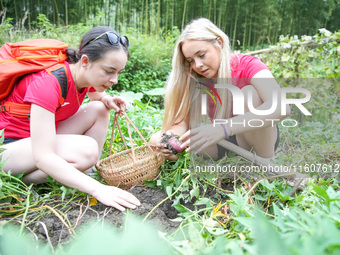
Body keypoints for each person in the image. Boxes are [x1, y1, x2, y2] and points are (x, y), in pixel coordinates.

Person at [0, 26, 141, 212]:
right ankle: (19, 180)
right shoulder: (48, 83)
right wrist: (98, 190)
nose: (114, 79)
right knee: (86, 150)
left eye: (118, 73)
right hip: (8, 149)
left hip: (34, 141)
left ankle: (84, 172)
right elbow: (43, 156)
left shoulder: (83, 77)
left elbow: (98, 99)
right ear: (85, 61)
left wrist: (108, 99)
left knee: (100, 109)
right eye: (109, 71)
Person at [150, 18, 290, 161]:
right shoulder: (194, 78)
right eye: (191, 60)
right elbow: (183, 123)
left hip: (256, 136)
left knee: (249, 95)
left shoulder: (248, 65)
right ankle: (232, 158)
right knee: (156, 140)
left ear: (219, 43)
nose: (197, 65)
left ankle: (266, 163)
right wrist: (172, 140)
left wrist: (224, 129)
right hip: (223, 142)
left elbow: (282, 107)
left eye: (201, 55)